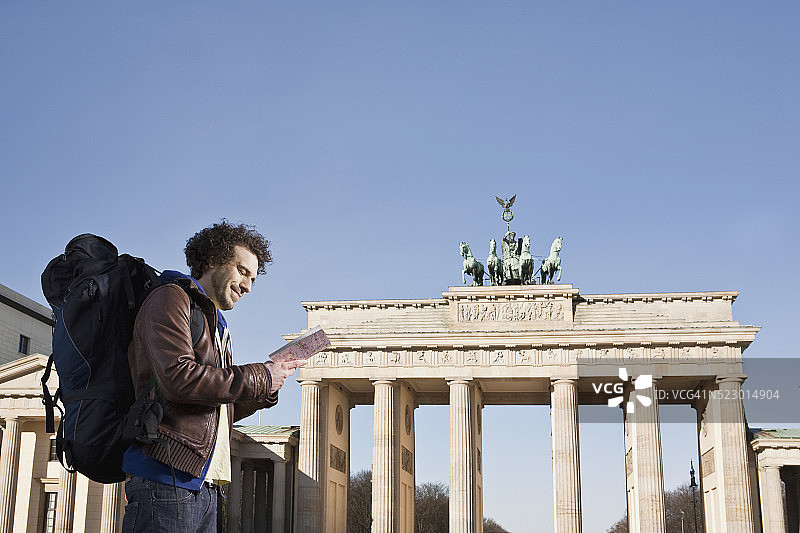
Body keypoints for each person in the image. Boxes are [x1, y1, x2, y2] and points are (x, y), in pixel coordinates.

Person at [121, 221, 304, 532]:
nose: (248, 285)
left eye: (253, 279)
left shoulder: (216, 324)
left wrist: (266, 388)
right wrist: (259, 376)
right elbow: (179, 379)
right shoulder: (171, 298)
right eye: (243, 271)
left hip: (205, 486)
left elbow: (216, 408)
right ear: (212, 260)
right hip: (166, 480)